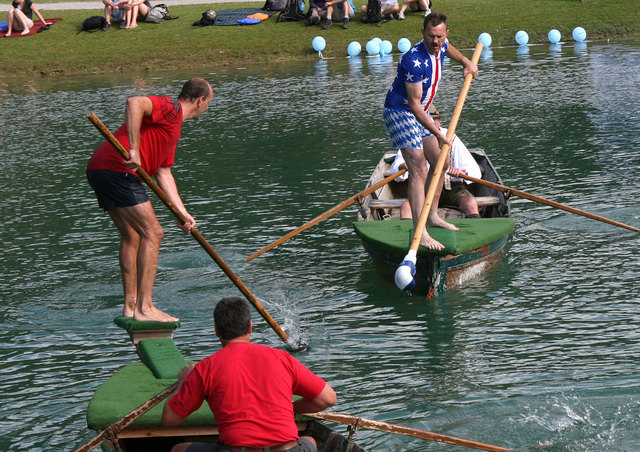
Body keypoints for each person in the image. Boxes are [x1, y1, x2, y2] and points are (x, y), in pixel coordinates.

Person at [86, 77, 213, 323]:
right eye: (208, 102)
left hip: (100, 169)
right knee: (153, 233)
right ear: (200, 101)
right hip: (117, 169)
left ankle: (131, 305)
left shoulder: (173, 128)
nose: (207, 107)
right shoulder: (171, 108)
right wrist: (134, 149)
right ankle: (145, 308)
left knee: (133, 235)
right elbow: (135, 102)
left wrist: (182, 213)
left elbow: (163, 173)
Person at [162, 296, 337, 452]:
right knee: (310, 440)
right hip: (286, 449)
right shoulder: (282, 358)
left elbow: (170, 419)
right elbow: (327, 398)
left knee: (179, 448)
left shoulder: (205, 368)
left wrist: (183, 383)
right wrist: (290, 409)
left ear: (217, 330)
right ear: (250, 327)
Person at [382, 12, 477, 251]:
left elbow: (449, 49)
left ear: (446, 34)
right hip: (400, 111)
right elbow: (413, 105)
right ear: (422, 33)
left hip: (421, 110)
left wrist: (466, 62)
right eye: (431, 36)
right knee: (418, 167)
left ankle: (432, 215)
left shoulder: (442, 45)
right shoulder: (413, 61)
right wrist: (438, 132)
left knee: (441, 163)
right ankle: (420, 231)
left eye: (439, 36)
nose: (436, 42)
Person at [390, 105, 482, 219]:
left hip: (452, 189)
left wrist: (462, 172)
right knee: (406, 207)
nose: (429, 124)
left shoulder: (450, 137)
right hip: (424, 190)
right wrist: (403, 166)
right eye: (425, 120)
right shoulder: (411, 139)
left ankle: (474, 232)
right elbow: (395, 169)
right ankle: (406, 235)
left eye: (432, 120)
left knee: (470, 203)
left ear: (439, 121)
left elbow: (475, 171)